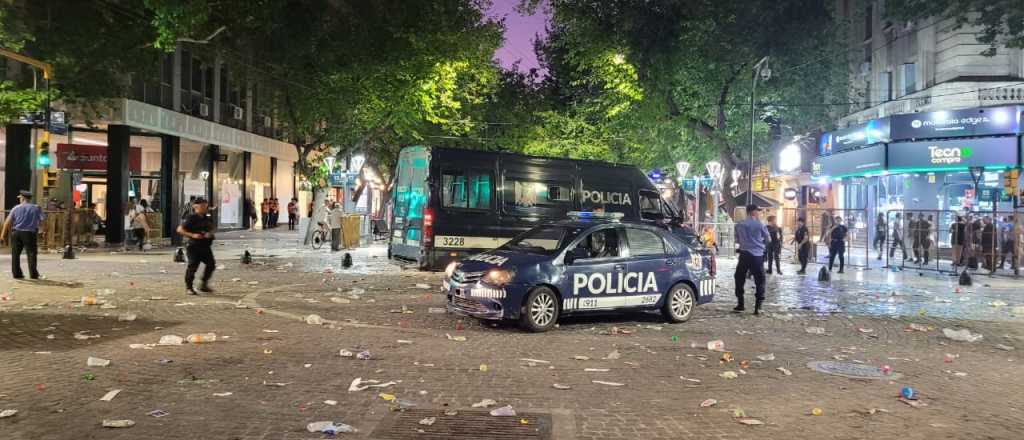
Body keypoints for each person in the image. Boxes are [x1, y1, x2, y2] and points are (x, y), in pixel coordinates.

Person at [733, 205, 769, 315]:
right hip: (757, 256)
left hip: (744, 254)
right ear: (753, 212)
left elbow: (737, 240)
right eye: (758, 211)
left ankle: (740, 304)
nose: (759, 213)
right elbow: (768, 239)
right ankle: (758, 307)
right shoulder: (760, 224)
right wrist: (761, 244)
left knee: (739, 278)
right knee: (760, 280)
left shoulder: (739, 225)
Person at [1, 191, 45, 279]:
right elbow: (42, 221)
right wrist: (42, 231)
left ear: (23, 198)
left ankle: (17, 274)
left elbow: (7, 222)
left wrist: (2, 235)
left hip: (16, 233)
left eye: (20, 198)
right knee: (31, 253)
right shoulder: (36, 208)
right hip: (29, 233)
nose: (20, 200)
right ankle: (33, 274)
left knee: (15, 254)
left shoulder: (16, 208)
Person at [177, 197, 217, 295]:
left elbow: (212, 228)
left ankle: (203, 284)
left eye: (205, 206)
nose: (204, 208)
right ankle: (189, 287)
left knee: (211, 264)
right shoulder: (191, 218)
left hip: (205, 246)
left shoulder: (207, 218)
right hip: (194, 246)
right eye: (202, 206)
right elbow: (180, 229)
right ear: (195, 206)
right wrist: (193, 235)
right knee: (193, 267)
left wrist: (210, 233)